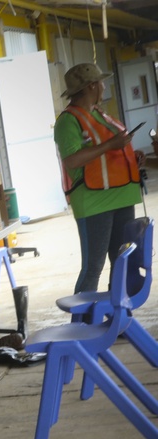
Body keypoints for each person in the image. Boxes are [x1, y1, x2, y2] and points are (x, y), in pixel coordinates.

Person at [54, 62, 143, 294]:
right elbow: (72, 160)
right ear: (92, 86)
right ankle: (82, 324)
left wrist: (131, 156)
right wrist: (111, 145)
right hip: (93, 203)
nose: (104, 87)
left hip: (122, 196)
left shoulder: (100, 114)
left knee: (121, 259)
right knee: (93, 266)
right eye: (101, 83)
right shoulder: (67, 121)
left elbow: (109, 151)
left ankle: (118, 317)